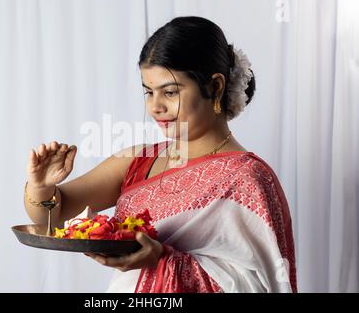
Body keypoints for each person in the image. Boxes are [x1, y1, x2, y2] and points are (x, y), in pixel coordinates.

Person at [23, 16, 297, 293]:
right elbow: (52, 216)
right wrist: (42, 186)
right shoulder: (138, 160)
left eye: (169, 92)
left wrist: (164, 259)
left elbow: (264, 284)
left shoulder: (248, 178)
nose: (155, 107)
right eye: (148, 92)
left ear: (215, 87)